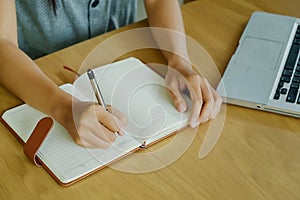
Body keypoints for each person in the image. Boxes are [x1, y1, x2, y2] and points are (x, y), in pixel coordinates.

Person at [0, 0, 222, 148]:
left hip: (119, 54)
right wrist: (65, 109)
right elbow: (3, 43)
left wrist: (179, 61)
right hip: (36, 74)